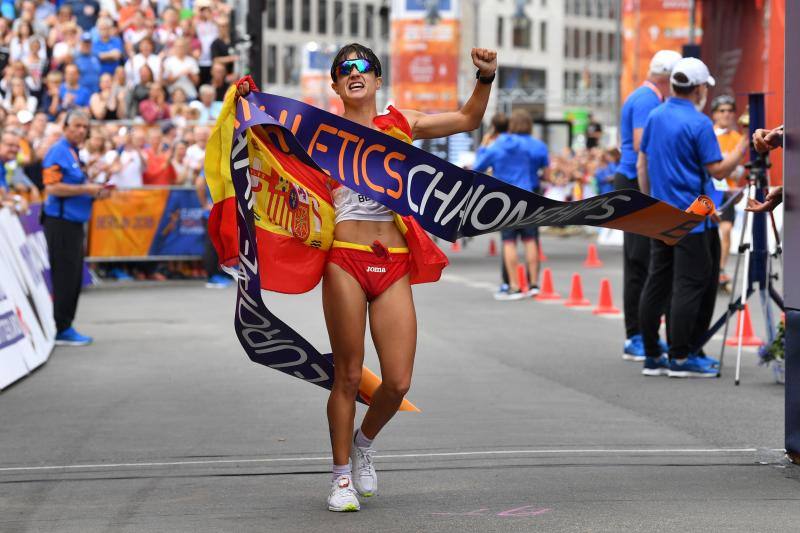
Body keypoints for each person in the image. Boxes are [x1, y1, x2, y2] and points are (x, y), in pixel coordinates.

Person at [236, 42, 496, 512]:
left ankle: (364, 442)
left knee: (397, 383)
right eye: (345, 69)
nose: (355, 72)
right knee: (349, 374)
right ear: (335, 85)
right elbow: (264, 140)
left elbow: (466, 120)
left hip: (393, 258)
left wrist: (486, 78)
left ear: (377, 80)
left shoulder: (402, 123)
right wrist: (246, 101)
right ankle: (339, 478)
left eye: (365, 67)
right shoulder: (316, 131)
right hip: (345, 259)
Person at [637, 57, 748, 378]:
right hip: (693, 217)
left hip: (659, 213)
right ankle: (682, 356)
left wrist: (649, 204)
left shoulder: (655, 116)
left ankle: (652, 354)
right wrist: (744, 142)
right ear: (699, 88)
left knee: (657, 282)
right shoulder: (699, 123)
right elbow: (718, 170)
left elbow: (642, 165)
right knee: (691, 284)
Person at [614, 49, 682, 362]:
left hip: (633, 182)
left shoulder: (644, 97)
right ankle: (636, 335)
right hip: (633, 184)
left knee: (643, 261)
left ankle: (641, 333)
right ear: (667, 78)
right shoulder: (646, 100)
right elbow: (642, 144)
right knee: (640, 260)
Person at [42, 110, 109, 345]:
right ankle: (62, 328)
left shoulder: (73, 152)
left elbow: (76, 182)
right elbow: (52, 188)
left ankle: (66, 325)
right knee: (65, 277)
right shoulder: (57, 151)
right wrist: (87, 189)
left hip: (74, 222)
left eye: (85, 127)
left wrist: (93, 186)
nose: (81, 131)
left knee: (72, 277)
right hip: (61, 223)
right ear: (65, 126)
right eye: (77, 126)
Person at [473, 109, 549, 299]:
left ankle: (514, 286)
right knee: (531, 240)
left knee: (509, 242)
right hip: (529, 194)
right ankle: (533, 284)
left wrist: (484, 145)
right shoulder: (526, 147)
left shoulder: (496, 147)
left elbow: (477, 167)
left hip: (505, 198)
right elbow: (543, 169)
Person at [709, 95, 745, 290]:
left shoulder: (739, 139)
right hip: (708, 191)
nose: (726, 114)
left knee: (726, 230)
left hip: (727, 191)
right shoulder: (707, 134)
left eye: (730, 111)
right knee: (708, 231)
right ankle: (708, 269)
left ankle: (721, 270)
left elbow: (738, 170)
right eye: (722, 111)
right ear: (714, 114)